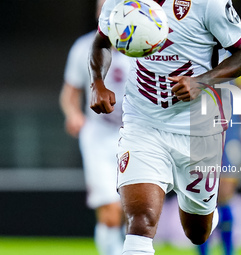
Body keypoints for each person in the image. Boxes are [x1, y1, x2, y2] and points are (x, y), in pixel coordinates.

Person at [88, 0, 241, 254]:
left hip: (199, 130)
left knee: (197, 233)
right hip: (143, 123)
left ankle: (208, 214)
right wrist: (97, 82)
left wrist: (201, 81)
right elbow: (101, 42)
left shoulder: (209, 3)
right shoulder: (120, 1)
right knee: (140, 223)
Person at [59, 1, 130, 254]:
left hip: (134, 137)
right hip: (98, 137)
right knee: (109, 211)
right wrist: (73, 113)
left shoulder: (144, 49)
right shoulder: (83, 48)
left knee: (127, 210)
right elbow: (69, 94)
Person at [198, 68, 241, 255]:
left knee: (224, 191)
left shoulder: (235, 49)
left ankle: (228, 251)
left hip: (229, 129)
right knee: (201, 191)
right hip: (199, 128)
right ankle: (203, 251)